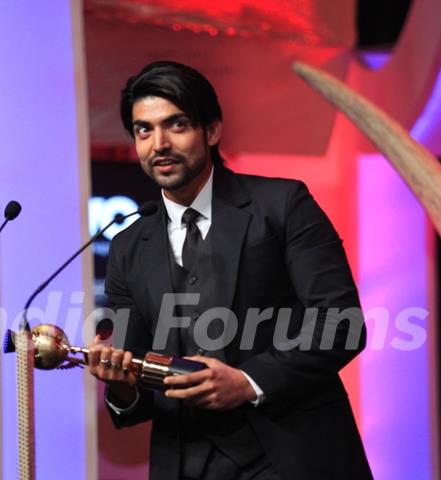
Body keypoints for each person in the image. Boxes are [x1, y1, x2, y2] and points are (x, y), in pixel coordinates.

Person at [87, 60, 372, 480]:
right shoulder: (129, 245)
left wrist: (248, 380)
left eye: (176, 125)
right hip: (185, 463)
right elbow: (138, 376)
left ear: (212, 130)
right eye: (143, 130)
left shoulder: (282, 205)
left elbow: (343, 324)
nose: (158, 143)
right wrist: (121, 384)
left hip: (293, 458)